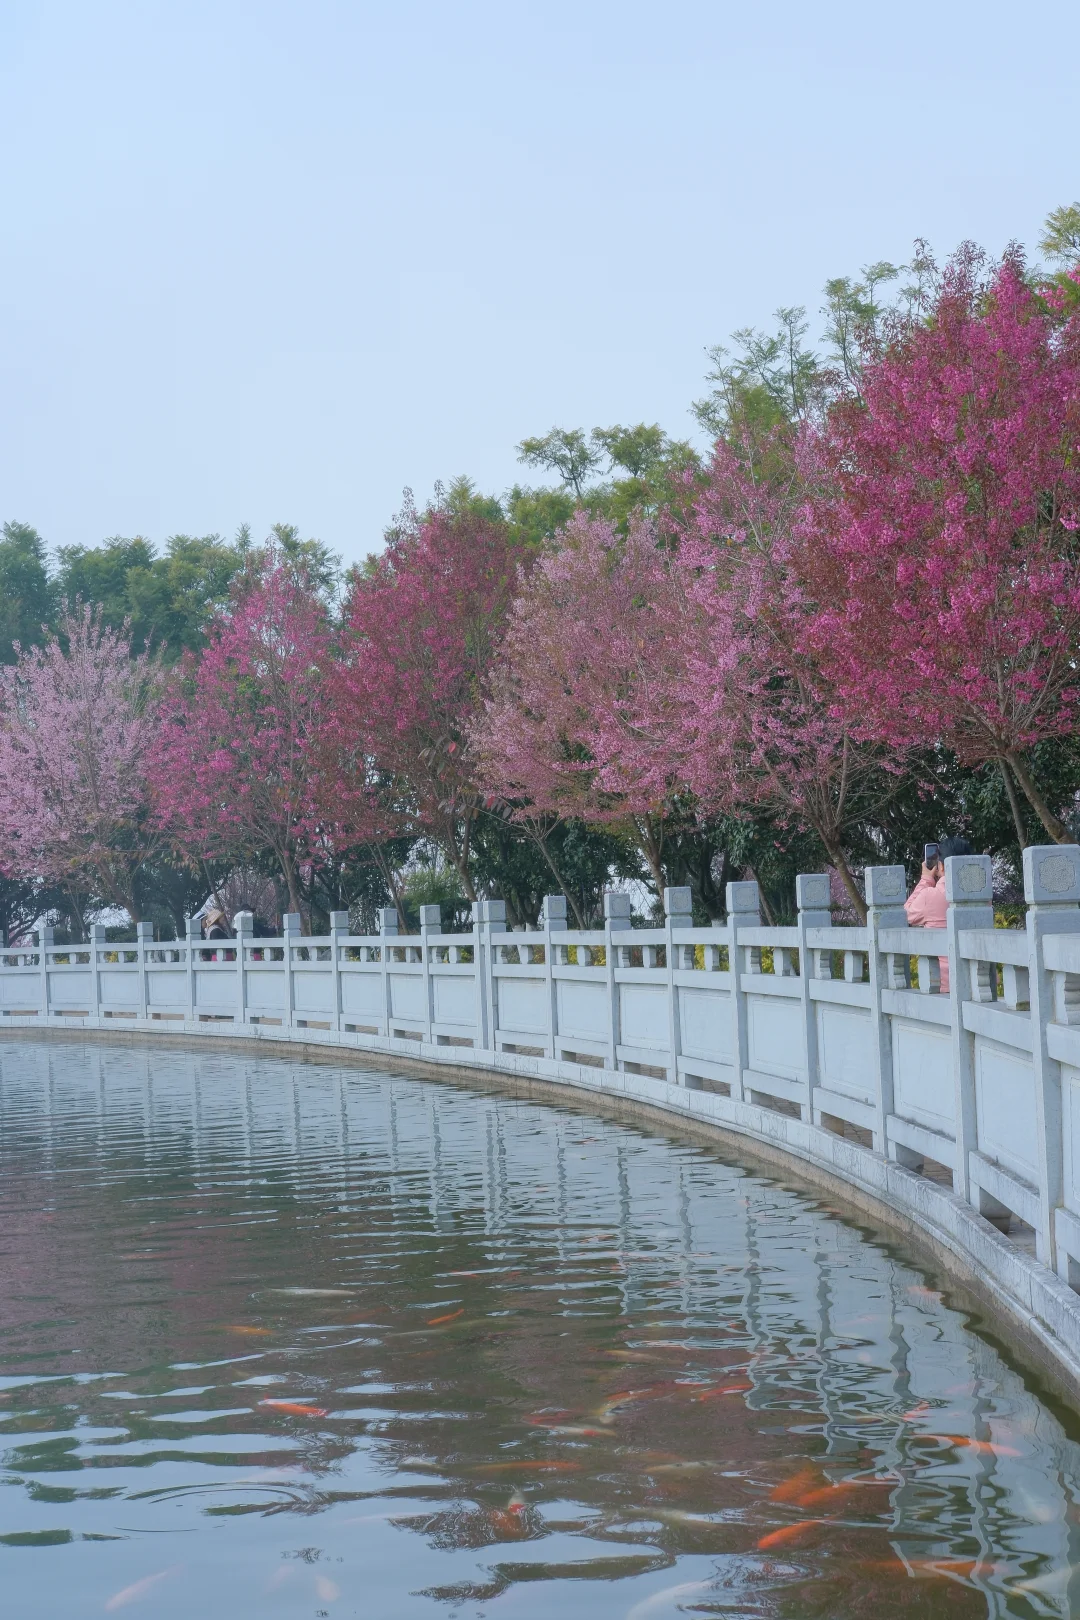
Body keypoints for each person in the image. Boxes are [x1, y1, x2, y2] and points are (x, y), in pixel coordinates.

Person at [904, 836, 973, 992]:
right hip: (978, 982)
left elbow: (906, 914)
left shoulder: (930, 895)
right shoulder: (982, 895)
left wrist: (926, 879)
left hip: (942, 984)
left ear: (941, 866)